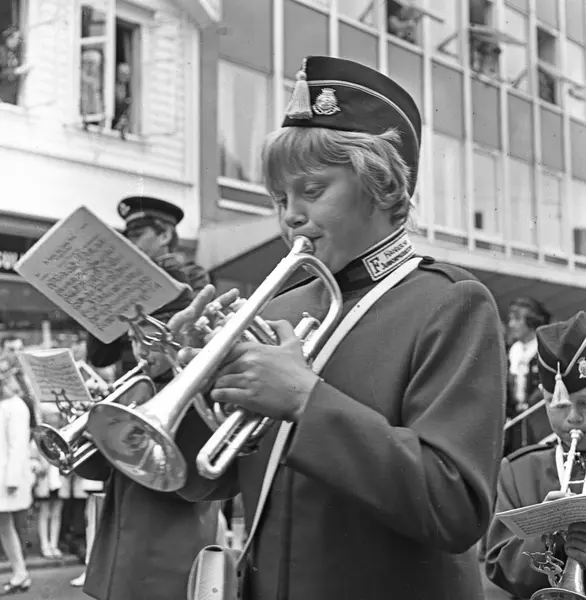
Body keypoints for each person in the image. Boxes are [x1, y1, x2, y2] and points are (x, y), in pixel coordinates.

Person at [167, 55, 507, 600]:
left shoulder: (450, 303)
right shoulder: (277, 308)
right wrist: (186, 390)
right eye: (280, 199)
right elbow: (207, 479)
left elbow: (456, 509)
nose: (290, 215)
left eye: (312, 190)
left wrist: (307, 400)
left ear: (381, 185)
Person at [74, 306, 222, 600]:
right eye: (132, 340)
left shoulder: (200, 391)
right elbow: (101, 470)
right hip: (121, 547)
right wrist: (92, 429)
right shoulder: (135, 387)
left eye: (148, 341)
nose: (140, 351)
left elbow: (194, 482)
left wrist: (128, 438)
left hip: (168, 552)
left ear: (176, 337)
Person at [486, 310, 586, 599]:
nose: (573, 418)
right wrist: (546, 535)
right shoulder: (518, 471)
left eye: (585, 404)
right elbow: (497, 563)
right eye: (558, 404)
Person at [86, 196, 210, 379]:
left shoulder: (192, 275)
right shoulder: (121, 284)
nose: (130, 244)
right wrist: (101, 300)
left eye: (137, 236)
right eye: (127, 238)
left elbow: (192, 332)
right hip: (134, 387)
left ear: (164, 236)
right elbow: (101, 358)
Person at [0, 359, 33, 594]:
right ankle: (20, 572)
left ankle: (21, 572)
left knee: (6, 526)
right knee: (5, 527)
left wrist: (11, 480)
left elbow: (18, 446)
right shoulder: (7, 405)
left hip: (5, 477)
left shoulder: (16, 406)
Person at [505, 297, 552, 455]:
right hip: (515, 423)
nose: (512, 325)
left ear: (531, 320)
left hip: (537, 421)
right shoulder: (511, 351)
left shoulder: (545, 349)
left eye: (517, 319)